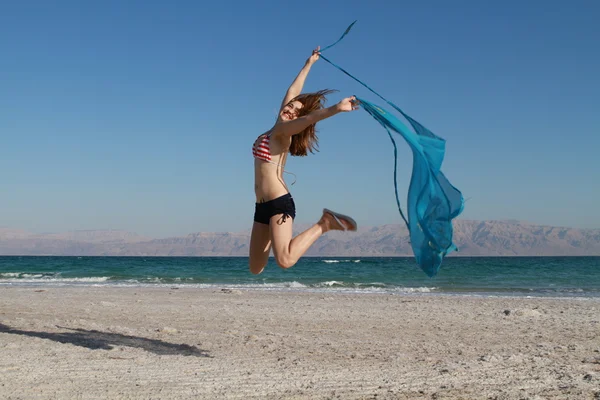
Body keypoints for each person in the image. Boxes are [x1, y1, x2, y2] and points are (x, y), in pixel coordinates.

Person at [249, 46, 360, 275]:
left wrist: (336, 109)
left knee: (285, 260)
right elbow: (293, 91)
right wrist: (309, 64)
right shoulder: (275, 127)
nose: (289, 111)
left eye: (293, 112)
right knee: (256, 268)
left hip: (279, 202)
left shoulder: (283, 131)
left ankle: (325, 223)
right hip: (262, 206)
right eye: (289, 107)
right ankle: (281, 229)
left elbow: (309, 118)